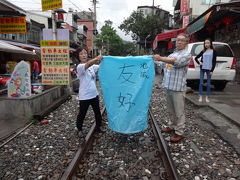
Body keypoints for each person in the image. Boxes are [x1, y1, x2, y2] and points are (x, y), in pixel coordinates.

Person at [152, 33, 191, 142]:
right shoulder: (172, 54)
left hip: (178, 88)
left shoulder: (186, 54)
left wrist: (160, 58)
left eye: (182, 40)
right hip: (168, 86)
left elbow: (176, 62)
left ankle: (179, 132)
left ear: (186, 42)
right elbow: (164, 65)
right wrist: (155, 60)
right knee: (170, 109)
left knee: (179, 111)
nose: (179, 42)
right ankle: (172, 125)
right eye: (178, 40)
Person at [76, 47, 104, 136]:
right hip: (84, 96)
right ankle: (79, 129)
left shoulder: (92, 67)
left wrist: (107, 59)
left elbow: (100, 67)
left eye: (85, 53)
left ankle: (99, 127)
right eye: (81, 54)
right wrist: (96, 58)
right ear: (78, 56)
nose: (84, 55)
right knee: (82, 113)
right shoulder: (80, 67)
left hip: (94, 94)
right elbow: (88, 64)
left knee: (97, 112)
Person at [194, 38, 216, 103]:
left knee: (208, 84)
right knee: (201, 83)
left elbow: (214, 62)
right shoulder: (203, 51)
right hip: (202, 68)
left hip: (209, 69)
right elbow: (196, 58)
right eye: (205, 43)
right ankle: (200, 96)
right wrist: (199, 63)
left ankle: (207, 97)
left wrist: (212, 70)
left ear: (210, 43)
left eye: (208, 43)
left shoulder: (214, 51)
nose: (206, 44)